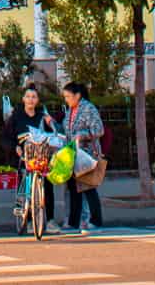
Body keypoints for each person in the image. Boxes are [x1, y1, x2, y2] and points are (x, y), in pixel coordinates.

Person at [1, 84, 61, 233]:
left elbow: (55, 134)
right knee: (25, 185)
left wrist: (51, 123)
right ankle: (27, 220)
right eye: (28, 97)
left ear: (37, 100)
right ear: (23, 99)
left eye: (33, 97)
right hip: (24, 157)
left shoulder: (42, 116)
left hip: (41, 157)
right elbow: (6, 138)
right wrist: (15, 148)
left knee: (47, 185)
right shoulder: (16, 117)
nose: (30, 100)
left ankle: (51, 220)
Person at [58, 80, 105, 232]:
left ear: (77, 95)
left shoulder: (88, 108)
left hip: (86, 154)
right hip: (73, 153)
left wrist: (82, 135)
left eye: (68, 96)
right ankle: (73, 222)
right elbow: (67, 129)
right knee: (73, 188)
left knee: (88, 186)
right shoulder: (70, 110)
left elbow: (99, 130)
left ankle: (96, 221)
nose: (66, 99)